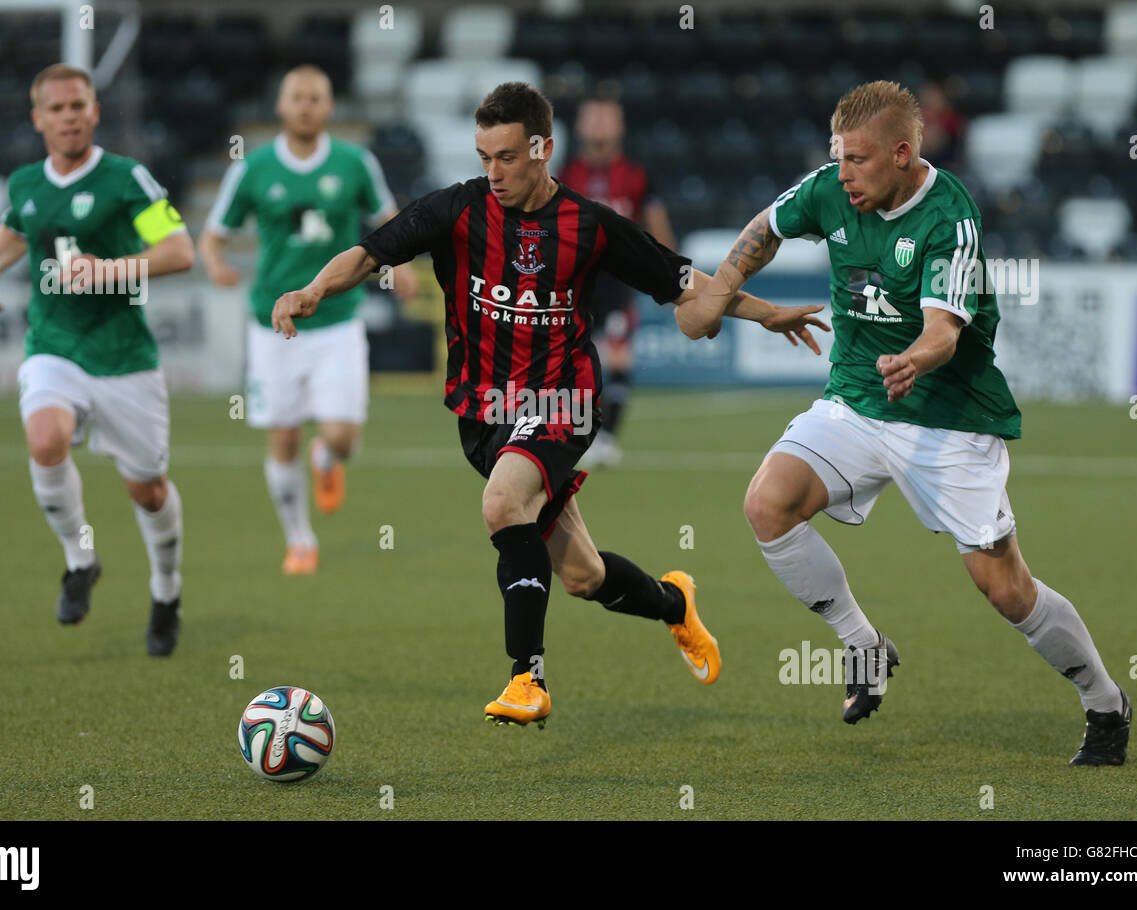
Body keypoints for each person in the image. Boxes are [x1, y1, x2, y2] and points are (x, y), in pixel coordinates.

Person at [273, 82, 828, 727]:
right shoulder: (456, 209)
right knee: (583, 576)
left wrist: (763, 314)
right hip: (484, 414)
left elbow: (688, 285)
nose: (494, 172)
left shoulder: (589, 226)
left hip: (564, 397)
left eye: (507, 157)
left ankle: (526, 679)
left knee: (503, 501)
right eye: (485, 156)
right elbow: (371, 252)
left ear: (543, 149)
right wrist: (312, 290)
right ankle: (675, 604)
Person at [684, 80, 1130, 766]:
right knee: (767, 504)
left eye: (858, 161)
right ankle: (864, 646)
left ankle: (1106, 703)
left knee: (1005, 590)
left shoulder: (948, 215)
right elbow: (764, 230)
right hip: (858, 399)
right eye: (838, 158)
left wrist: (914, 361)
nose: (844, 174)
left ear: (901, 153)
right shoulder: (832, 188)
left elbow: (943, 332)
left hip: (947, 417)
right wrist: (718, 291)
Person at [0, 63, 195, 655]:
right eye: (58, 108)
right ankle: (80, 559)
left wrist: (112, 269)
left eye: (80, 106)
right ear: (38, 117)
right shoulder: (24, 182)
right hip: (55, 346)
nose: (70, 116)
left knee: (147, 492)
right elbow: (19, 227)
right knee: (45, 440)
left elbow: (179, 250)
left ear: (94, 111)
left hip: (124, 355)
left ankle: (166, 591)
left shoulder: (127, 179)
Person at [199, 64, 416, 575]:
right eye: (296, 96)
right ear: (280, 105)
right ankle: (300, 540)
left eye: (315, 97)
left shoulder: (355, 163)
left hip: (338, 318)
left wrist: (401, 264)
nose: (305, 105)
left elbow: (392, 221)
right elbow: (213, 234)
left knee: (343, 438)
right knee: (283, 436)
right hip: (272, 324)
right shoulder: (251, 169)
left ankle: (327, 459)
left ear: (328, 107)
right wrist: (215, 264)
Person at [559, 98, 675, 467]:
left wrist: (669, 276)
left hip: (616, 283)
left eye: (605, 118)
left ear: (620, 126)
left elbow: (659, 232)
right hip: (571, 284)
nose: (598, 125)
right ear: (578, 126)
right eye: (591, 117)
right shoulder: (562, 174)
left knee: (619, 355)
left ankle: (606, 439)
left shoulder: (637, 176)